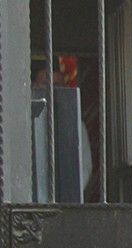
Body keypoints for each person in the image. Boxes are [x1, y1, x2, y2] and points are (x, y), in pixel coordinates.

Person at [31, 58, 93, 199]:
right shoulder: (22, 123)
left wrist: (68, 194)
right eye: (45, 84)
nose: (51, 90)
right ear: (34, 86)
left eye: (57, 85)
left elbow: (85, 166)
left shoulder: (77, 125)